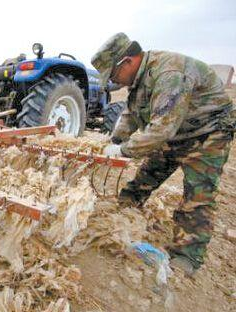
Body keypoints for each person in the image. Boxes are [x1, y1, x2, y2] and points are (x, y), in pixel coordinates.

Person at [91, 32, 235, 275]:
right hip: (178, 130)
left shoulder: (169, 74)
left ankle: (187, 257)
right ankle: (126, 209)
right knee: (146, 176)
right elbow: (130, 113)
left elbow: (161, 130)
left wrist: (124, 150)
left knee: (197, 194)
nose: (116, 82)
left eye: (114, 76)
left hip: (208, 133)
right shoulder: (139, 79)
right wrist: (116, 139)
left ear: (127, 61)